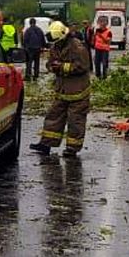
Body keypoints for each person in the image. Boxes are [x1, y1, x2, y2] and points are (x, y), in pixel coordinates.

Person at [30, 21, 92, 158]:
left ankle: (72, 148)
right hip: (62, 90)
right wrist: (52, 67)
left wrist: (62, 67)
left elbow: (83, 66)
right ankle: (46, 144)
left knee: (75, 121)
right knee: (53, 116)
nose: (54, 43)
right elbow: (49, 64)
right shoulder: (56, 46)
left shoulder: (78, 47)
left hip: (78, 92)